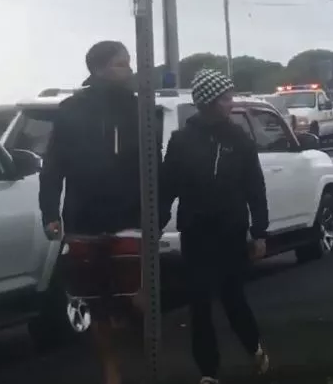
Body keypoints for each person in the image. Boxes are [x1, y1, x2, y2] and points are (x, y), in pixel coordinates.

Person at [39, 40, 165, 384]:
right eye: (122, 64)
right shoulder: (70, 110)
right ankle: (112, 373)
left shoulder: (141, 109)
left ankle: (149, 357)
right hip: (84, 219)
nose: (129, 69)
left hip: (131, 218)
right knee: (95, 303)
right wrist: (49, 210)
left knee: (139, 295)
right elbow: (53, 165)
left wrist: (159, 214)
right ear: (100, 69)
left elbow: (155, 165)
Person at [160, 68, 271, 384]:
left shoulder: (239, 139)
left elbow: (255, 187)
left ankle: (254, 347)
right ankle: (208, 372)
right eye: (225, 98)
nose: (230, 103)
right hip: (196, 232)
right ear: (208, 101)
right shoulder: (181, 141)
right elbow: (168, 187)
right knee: (199, 304)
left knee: (233, 297)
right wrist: (155, 225)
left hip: (232, 232)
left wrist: (259, 232)